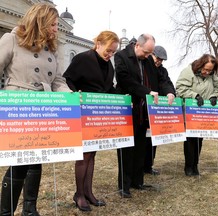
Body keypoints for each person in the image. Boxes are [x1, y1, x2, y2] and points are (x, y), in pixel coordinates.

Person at [0, 3, 72, 215]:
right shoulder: (11, 39)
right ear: (40, 20)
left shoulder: (52, 49)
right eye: (53, 24)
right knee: (19, 161)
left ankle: (30, 209)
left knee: (37, 157)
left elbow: (58, 80)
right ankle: (6, 212)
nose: (56, 28)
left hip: (43, 108)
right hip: (19, 108)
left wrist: (69, 95)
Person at [63, 30, 119, 211]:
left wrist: (123, 99)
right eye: (108, 50)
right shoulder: (83, 59)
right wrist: (74, 95)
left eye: (113, 52)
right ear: (99, 44)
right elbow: (67, 80)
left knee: (92, 154)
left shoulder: (109, 66)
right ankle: (79, 194)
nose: (110, 54)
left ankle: (88, 192)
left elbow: (109, 88)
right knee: (84, 155)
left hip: (97, 115)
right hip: (81, 112)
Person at [114, 34, 175, 198]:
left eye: (150, 53)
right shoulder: (121, 56)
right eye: (146, 52)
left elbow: (162, 78)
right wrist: (146, 91)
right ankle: (124, 185)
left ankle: (137, 181)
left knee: (141, 147)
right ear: (137, 46)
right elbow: (125, 80)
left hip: (143, 112)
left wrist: (169, 92)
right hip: (128, 109)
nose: (148, 57)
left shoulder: (148, 60)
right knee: (126, 149)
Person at [176, 54, 218, 176]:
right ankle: (188, 166)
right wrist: (194, 95)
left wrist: (213, 96)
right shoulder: (188, 71)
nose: (207, 72)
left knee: (199, 139)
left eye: (210, 70)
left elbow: (217, 87)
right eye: (205, 69)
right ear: (200, 65)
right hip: (190, 110)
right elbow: (180, 88)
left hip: (204, 112)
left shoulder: (213, 75)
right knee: (190, 139)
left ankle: (195, 165)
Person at [144, 45, 176, 175]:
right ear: (151, 54)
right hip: (143, 108)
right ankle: (140, 166)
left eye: (161, 60)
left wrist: (170, 93)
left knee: (153, 140)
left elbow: (166, 83)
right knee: (143, 141)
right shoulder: (144, 66)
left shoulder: (162, 71)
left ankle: (148, 165)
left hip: (155, 109)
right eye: (157, 58)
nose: (159, 62)